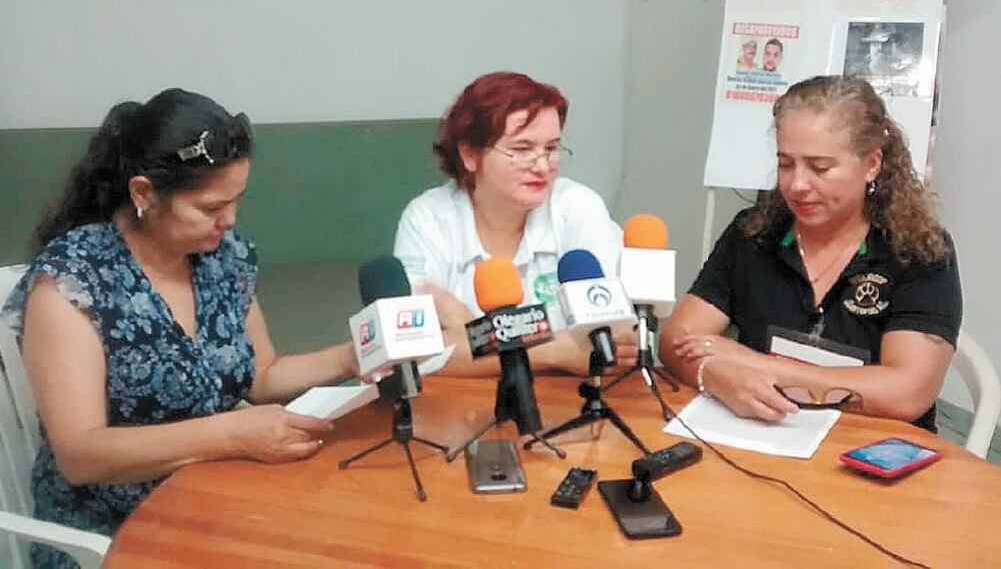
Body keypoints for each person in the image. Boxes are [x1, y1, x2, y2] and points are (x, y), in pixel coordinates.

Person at [1, 89, 359, 568]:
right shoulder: (73, 283)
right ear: (144, 193)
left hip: (216, 499)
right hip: (111, 538)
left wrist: (354, 356)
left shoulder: (223, 260)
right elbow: (81, 453)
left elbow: (262, 376)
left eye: (236, 201)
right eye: (210, 208)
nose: (228, 222)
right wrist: (230, 435)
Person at [659, 76, 961, 432]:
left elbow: (906, 393)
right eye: (786, 164)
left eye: (820, 167)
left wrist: (762, 367)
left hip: (871, 452)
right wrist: (715, 374)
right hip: (762, 438)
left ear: (871, 165)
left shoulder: (918, 251)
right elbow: (677, 339)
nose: (797, 185)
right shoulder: (753, 234)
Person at [393, 71, 635, 376]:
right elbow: (411, 353)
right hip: (461, 405)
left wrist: (474, 337)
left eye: (551, 148)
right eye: (521, 150)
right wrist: (557, 349)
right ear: (469, 154)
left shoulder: (578, 207)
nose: (543, 166)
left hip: (571, 401)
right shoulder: (429, 218)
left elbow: (614, 346)